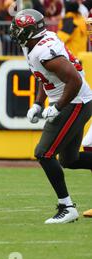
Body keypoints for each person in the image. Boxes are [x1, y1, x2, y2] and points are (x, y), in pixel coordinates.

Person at [11, 9, 92, 224]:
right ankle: (67, 206)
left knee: (44, 153)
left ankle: (66, 206)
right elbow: (43, 76)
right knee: (70, 160)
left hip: (75, 101)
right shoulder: (34, 45)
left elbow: (74, 80)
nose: (14, 30)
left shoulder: (43, 50)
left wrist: (57, 107)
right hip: (75, 100)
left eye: (18, 27)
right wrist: (38, 103)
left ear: (29, 30)